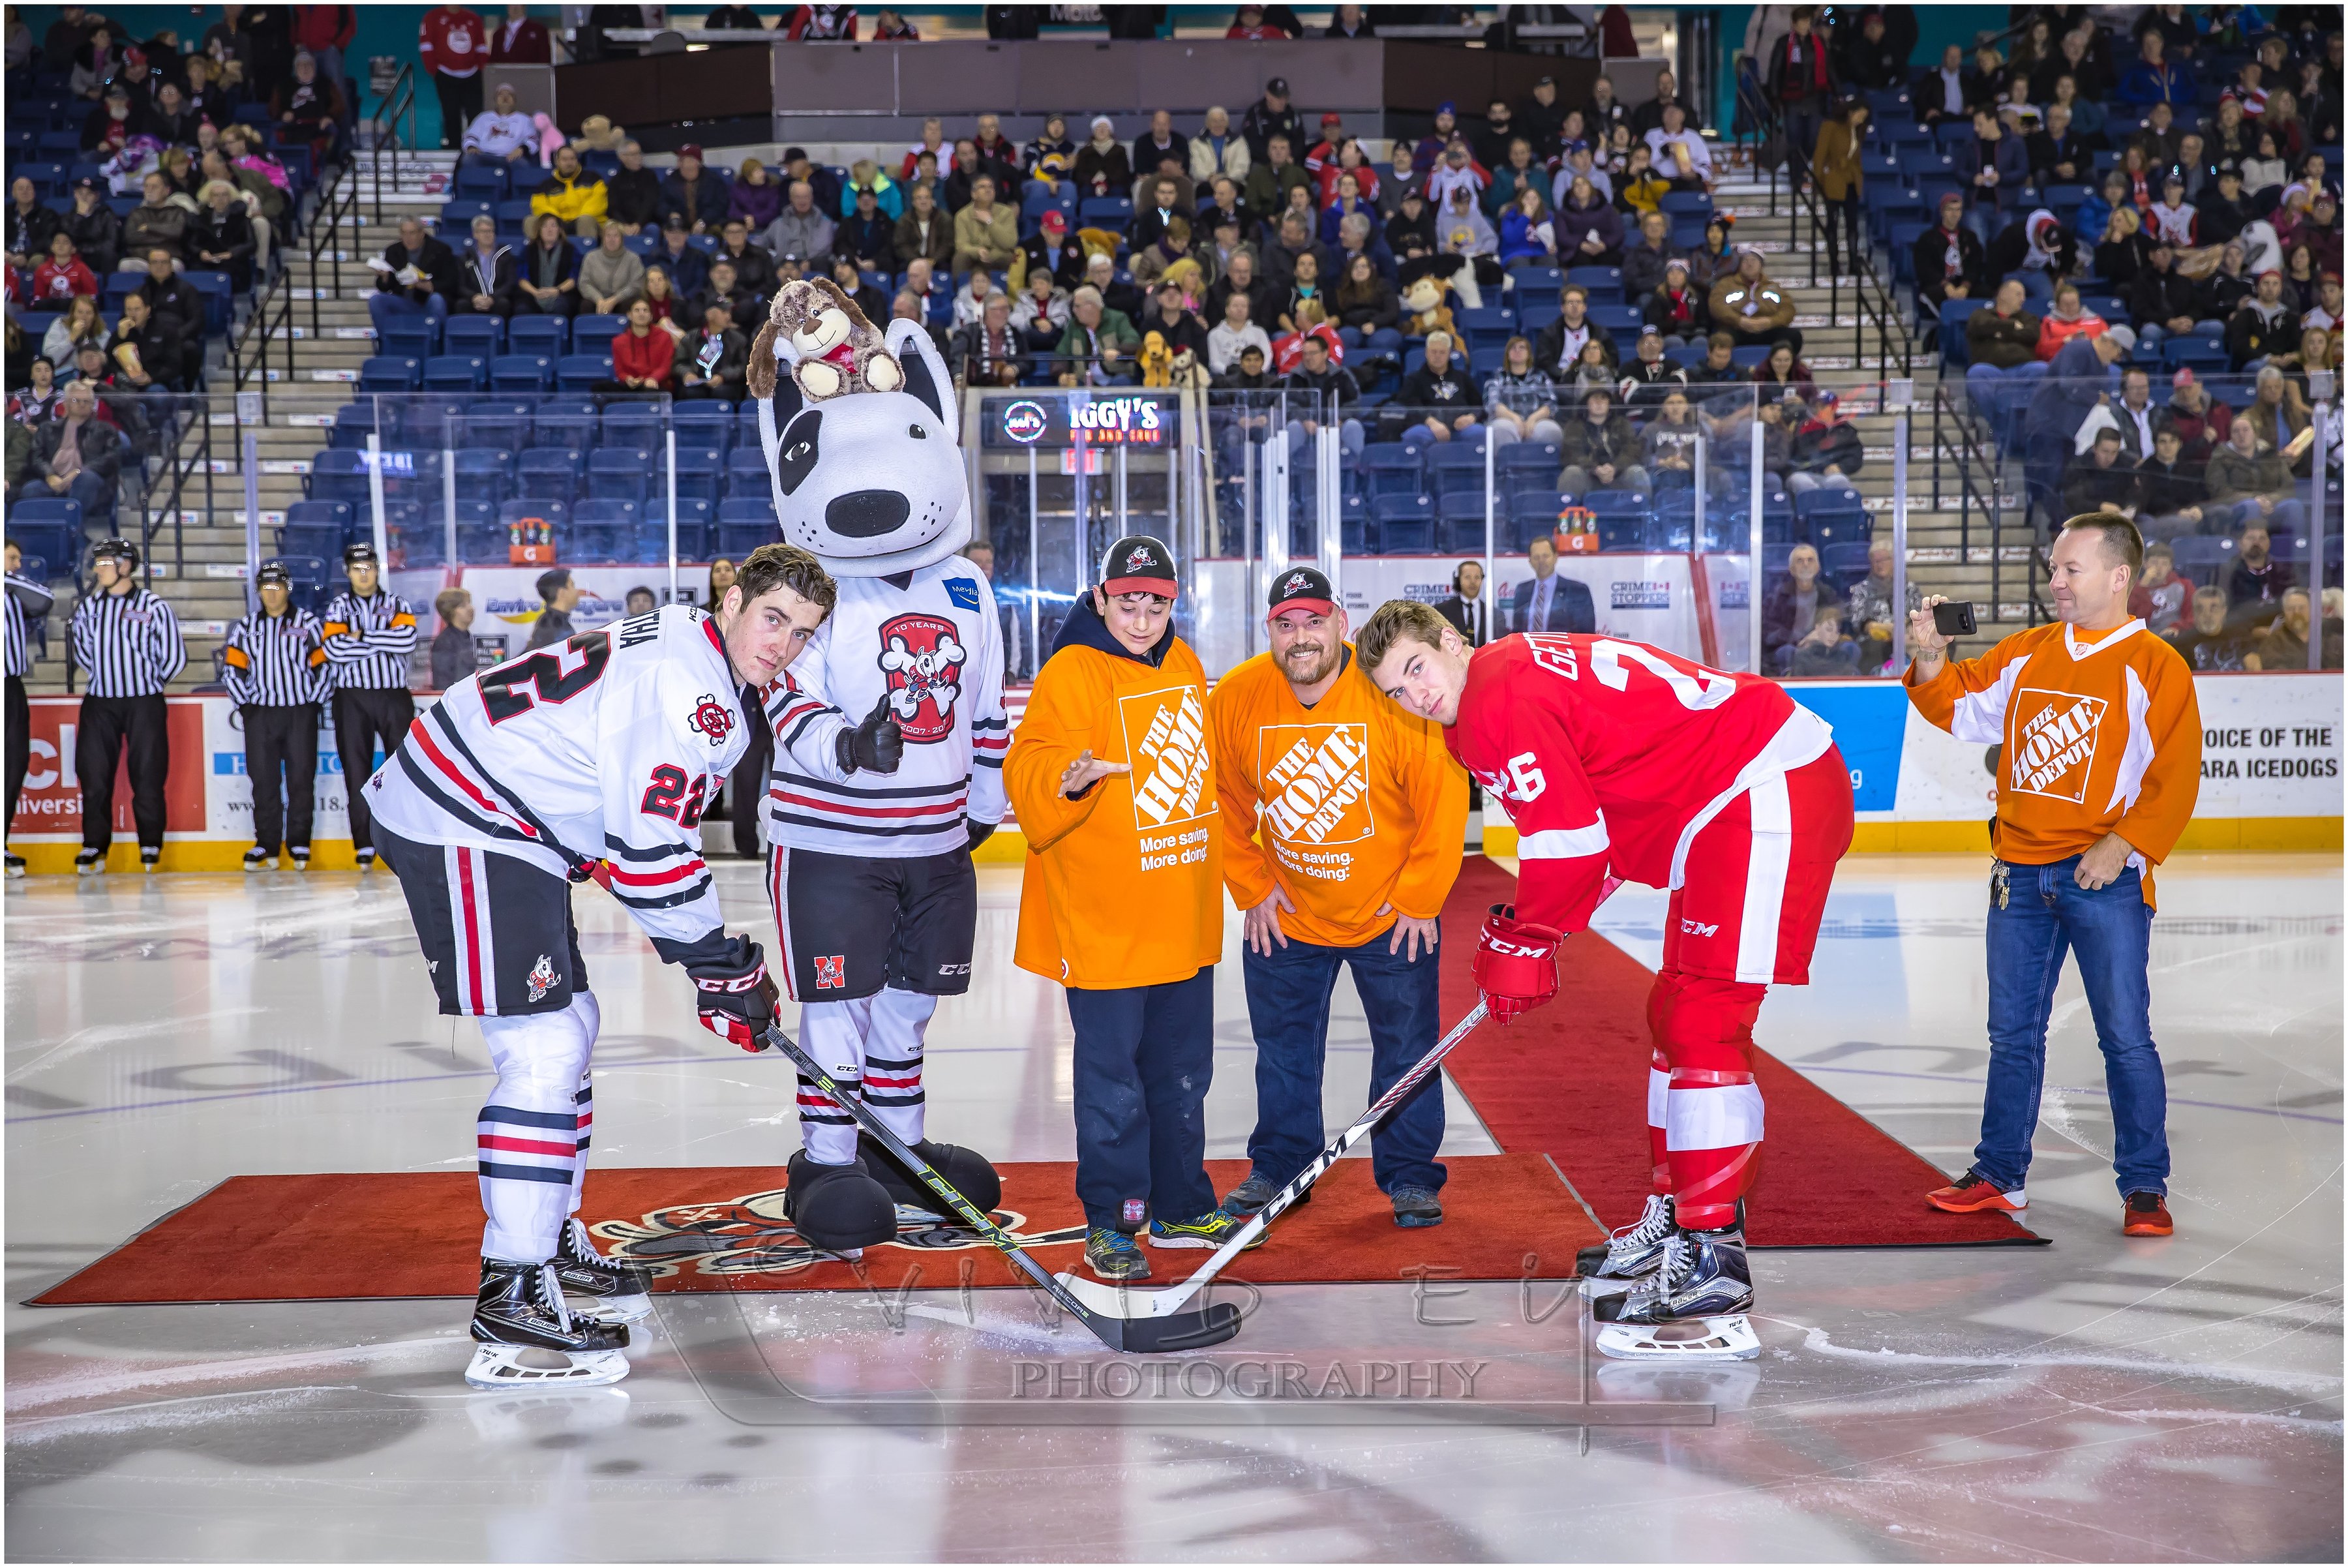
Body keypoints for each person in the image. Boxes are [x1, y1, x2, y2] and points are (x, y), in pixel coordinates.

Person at [362, 545, 837, 1387]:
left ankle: (549, 1239)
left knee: (573, 1022)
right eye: (773, 619)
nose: (784, 645)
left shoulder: (690, 637)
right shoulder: (692, 693)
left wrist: (713, 963)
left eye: (802, 633)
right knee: (542, 1048)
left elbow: (624, 825)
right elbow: (649, 853)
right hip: (466, 815)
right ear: (731, 601)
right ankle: (513, 1288)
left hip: (505, 815)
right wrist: (719, 965)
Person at [1356, 597, 1852, 1336]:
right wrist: (1540, 930)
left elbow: (1570, 846)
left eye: (1417, 668)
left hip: (1761, 785)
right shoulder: (1488, 695)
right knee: (1673, 1014)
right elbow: (1597, 822)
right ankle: (1678, 1217)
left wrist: (1528, 937)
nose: (1415, 695)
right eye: (1396, 690)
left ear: (1453, 642)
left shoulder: (1495, 698)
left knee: (1705, 1020)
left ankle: (1715, 1257)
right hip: (1719, 803)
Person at [1905, 513, 2199, 1238]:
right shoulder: (2029, 650)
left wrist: (2122, 843)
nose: (2056, 581)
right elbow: (1961, 708)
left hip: (2104, 880)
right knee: (2012, 1034)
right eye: (2053, 569)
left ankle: (2145, 1185)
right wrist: (1932, 658)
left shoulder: (2155, 664)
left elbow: (2176, 775)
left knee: (2125, 1036)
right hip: (2019, 874)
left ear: (2119, 577)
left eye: (2071, 569)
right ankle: (2000, 1175)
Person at [1002, 537, 1250, 1281]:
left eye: (1156, 605)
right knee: (1114, 1084)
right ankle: (1114, 1220)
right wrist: (1070, 779)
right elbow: (1030, 760)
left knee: (1183, 1074)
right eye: (1128, 603)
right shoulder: (1072, 669)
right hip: (1106, 918)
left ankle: (1180, 1206)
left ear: (1174, 604)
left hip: (1179, 910)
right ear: (1100, 598)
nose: (1142, 620)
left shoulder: (1185, 664)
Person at [1209, 567, 1468, 1228]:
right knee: (1284, 1053)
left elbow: (1442, 796)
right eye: (1286, 624)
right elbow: (1221, 800)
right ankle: (1281, 1169)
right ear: (1269, 629)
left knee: (1408, 1051)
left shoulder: (1387, 689)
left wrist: (1419, 898)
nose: (1301, 636)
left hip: (1390, 914)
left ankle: (1410, 1175)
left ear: (1340, 624)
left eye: (1314, 621)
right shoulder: (1238, 695)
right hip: (1289, 916)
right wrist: (1252, 885)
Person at [68, 538, 185, 875]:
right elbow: (83, 652)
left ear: (125, 565)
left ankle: (150, 843)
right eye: (98, 563)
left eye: (105, 563)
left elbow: (174, 656)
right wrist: (108, 677)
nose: (98, 570)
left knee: (148, 774)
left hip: (144, 702)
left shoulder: (154, 606)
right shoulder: (89, 607)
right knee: (94, 776)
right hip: (99, 702)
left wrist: (147, 684)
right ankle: (94, 844)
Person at [222, 562, 329, 872]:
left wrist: (313, 703)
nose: (271, 593)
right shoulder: (245, 627)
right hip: (261, 714)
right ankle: (266, 843)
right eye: (266, 587)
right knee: (263, 780)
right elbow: (232, 671)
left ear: (287, 589)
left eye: (277, 587)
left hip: (299, 712)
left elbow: (324, 668)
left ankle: (299, 843)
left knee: (301, 779)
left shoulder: (308, 624)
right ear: (258, 591)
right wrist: (247, 706)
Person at [322, 543, 419, 873]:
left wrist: (360, 636)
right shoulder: (338, 606)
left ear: (377, 570)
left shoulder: (397, 603)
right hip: (351, 698)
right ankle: (364, 843)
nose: (363, 575)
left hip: (393, 695)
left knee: (402, 770)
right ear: (348, 572)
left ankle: (403, 839)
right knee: (356, 770)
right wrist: (383, 640)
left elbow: (407, 641)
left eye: (369, 568)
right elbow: (333, 649)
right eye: (357, 569)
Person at [5, 541, 56, 876]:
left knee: (12, 765)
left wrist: (6, 577)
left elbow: (45, 599)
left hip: (9, 687)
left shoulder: (12, 593)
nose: (18, 565)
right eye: (11, 558)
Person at [1767, 7, 1836, 190]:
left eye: (1807, 22)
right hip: (1792, 100)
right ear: (1794, 23)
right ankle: (1796, 176)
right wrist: (1774, 96)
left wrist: (1838, 92)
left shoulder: (1818, 43)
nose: (1805, 26)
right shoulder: (1784, 43)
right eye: (1802, 22)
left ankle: (1803, 170)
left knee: (1812, 139)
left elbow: (1829, 69)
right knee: (1794, 139)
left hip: (1814, 99)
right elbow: (1775, 70)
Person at [370, 215, 459, 340]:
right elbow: (385, 287)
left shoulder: (441, 250)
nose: (408, 238)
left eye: (412, 233)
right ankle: (387, 343)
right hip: (404, 301)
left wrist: (431, 287)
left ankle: (437, 343)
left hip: (428, 301)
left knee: (437, 300)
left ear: (422, 233)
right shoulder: (393, 251)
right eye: (404, 233)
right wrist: (385, 277)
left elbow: (452, 282)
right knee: (376, 301)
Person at [418, 5, 488, 151]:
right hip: (445, 74)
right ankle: (455, 148)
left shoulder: (473, 18)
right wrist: (434, 70)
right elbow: (426, 46)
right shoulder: (432, 17)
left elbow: (481, 46)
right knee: (451, 113)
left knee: (475, 113)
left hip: (472, 74)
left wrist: (480, 67)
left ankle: (475, 147)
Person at [1394, 330, 1479, 449]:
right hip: (1427, 427)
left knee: (1479, 433)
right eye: (1433, 352)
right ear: (1426, 352)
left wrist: (1471, 417)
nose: (1438, 356)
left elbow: (1478, 404)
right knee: (1415, 435)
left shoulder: (1463, 377)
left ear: (1449, 354)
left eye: (1442, 352)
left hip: (1461, 427)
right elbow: (1410, 406)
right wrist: (1431, 422)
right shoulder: (1414, 379)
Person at [1558, 384, 1648, 494]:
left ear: (1610, 404)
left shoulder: (1622, 424)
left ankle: (1642, 506)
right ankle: (1568, 506)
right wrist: (1594, 469)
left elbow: (1632, 451)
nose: (1599, 402)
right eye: (1595, 398)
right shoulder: (1574, 426)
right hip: (1588, 477)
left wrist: (1615, 468)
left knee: (1636, 472)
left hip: (1617, 477)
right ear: (1586, 403)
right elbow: (1572, 454)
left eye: (1603, 398)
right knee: (1572, 472)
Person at [1708, 249, 1801, 354]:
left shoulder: (1773, 287)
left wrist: (1770, 322)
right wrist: (1739, 320)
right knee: (1720, 338)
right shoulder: (1726, 284)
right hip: (1736, 328)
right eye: (1746, 261)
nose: (1750, 264)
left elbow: (1788, 309)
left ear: (1761, 266)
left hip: (1766, 329)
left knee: (1794, 336)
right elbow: (1716, 306)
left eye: (1754, 261)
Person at [1508, 534, 1595, 635]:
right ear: (1530, 561)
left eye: (1546, 556)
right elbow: (1517, 632)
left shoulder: (1577, 591)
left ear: (1555, 557)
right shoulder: (1522, 590)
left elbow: (1586, 633)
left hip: (1562, 645)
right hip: (1528, 645)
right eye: (1536, 557)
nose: (1541, 561)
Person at [513, 211, 579, 318]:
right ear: (539, 230)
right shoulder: (529, 249)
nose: (549, 230)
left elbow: (574, 278)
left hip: (561, 293)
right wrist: (535, 292)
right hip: (533, 293)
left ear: (559, 230)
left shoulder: (570, 249)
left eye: (553, 226)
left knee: (561, 306)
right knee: (522, 308)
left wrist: (557, 291)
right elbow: (522, 278)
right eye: (545, 226)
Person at [1435, 560, 1491, 646]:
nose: (1473, 582)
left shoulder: (1494, 614)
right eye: (1468, 577)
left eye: (1477, 577)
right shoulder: (1442, 611)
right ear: (1458, 580)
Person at [432, 588, 477, 689]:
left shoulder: (466, 636)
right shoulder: (445, 642)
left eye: (469, 603)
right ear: (451, 611)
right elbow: (442, 682)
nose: (471, 608)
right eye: (463, 606)